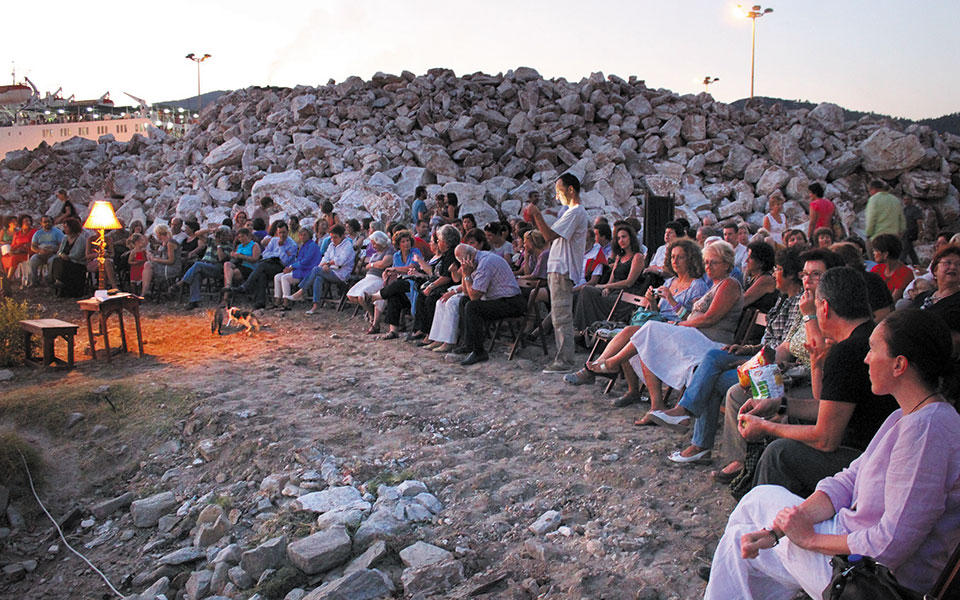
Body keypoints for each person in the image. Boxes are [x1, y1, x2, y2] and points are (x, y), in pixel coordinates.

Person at [704, 309, 960, 599]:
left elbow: (891, 545)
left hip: (873, 577)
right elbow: (848, 481)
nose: (865, 358)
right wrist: (778, 531)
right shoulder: (905, 416)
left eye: (873, 350)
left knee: (740, 538)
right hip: (852, 547)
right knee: (748, 532)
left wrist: (810, 539)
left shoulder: (928, 432)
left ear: (899, 364)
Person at [739, 267, 900, 498]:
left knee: (779, 454)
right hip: (879, 451)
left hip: (866, 459)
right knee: (788, 427)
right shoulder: (868, 338)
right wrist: (779, 404)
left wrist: (765, 426)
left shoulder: (846, 352)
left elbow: (826, 440)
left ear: (824, 308)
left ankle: (769, 526)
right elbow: (827, 405)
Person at [649, 247, 804, 464]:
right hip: (760, 357)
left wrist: (751, 358)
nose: (774, 274)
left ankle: (698, 440)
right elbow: (768, 343)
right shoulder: (783, 300)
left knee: (712, 378)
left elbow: (785, 350)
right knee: (713, 357)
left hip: (774, 368)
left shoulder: (800, 304)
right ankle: (686, 418)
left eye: (778, 269)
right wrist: (747, 350)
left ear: (791, 274)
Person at [526, 173, 589, 374]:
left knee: (561, 317)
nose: (557, 196)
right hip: (558, 268)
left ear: (571, 190)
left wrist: (536, 215)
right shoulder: (569, 212)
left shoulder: (576, 212)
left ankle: (565, 361)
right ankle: (562, 357)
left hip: (563, 269)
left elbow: (549, 235)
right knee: (558, 315)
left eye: (559, 191)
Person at [451, 243, 524, 365]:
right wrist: (465, 274)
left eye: (461, 261)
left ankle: (479, 351)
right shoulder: (476, 261)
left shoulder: (485, 263)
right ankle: (469, 344)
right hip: (499, 299)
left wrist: (467, 275)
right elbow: (466, 293)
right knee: (464, 301)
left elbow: (475, 296)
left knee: (472, 307)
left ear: (467, 258)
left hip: (512, 302)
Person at [573, 224, 645, 336]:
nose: (621, 240)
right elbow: (612, 278)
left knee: (593, 293)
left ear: (631, 238)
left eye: (624, 237)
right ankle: (583, 328)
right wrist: (607, 286)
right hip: (613, 290)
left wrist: (605, 286)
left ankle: (585, 330)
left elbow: (629, 282)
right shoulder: (619, 257)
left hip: (624, 296)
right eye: (619, 238)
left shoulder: (637, 257)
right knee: (586, 290)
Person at [365, 230, 423, 339]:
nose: (406, 243)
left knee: (400, 284)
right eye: (403, 242)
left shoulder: (415, 252)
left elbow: (412, 268)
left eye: (407, 241)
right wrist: (387, 275)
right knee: (393, 295)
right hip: (401, 285)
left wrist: (395, 269)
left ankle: (375, 297)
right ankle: (393, 330)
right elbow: (395, 273)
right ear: (398, 244)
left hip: (414, 283)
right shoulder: (396, 255)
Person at [408, 225, 461, 345]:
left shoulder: (452, 253)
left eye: (439, 241)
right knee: (422, 295)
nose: (437, 243)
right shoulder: (446, 253)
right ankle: (422, 329)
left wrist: (431, 286)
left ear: (446, 242)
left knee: (431, 299)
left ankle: (430, 334)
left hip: (451, 286)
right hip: (444, 284)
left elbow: (446, 277)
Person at [238, 220, 298, 309]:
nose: (282, 235)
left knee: (261, 266)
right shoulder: (274, 240)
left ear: (287, 232)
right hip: (270, 263)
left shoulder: (292, 245)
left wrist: (281, 248)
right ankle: (260, 301)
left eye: (284, 232)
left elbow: (284, 261)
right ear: (277, 232)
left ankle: (246, 286)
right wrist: (276, 254)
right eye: (280, 232)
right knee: (262, 273)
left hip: (283, 267)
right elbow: (265, 254)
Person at [345, 231, 394, 334]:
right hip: (368, 277)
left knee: (362, 296)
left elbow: (384, 264)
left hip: (379, 278)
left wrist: (371, 265)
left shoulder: (389, 251)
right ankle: (370, 312)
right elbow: (365, 266)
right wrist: (373, 264)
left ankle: (374, 321)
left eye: (374, 243)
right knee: (351, 295)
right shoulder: (376, 254)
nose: (373, 246)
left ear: (380, 242)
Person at [302, 224, 355, 315]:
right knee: (318, 277)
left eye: (335, 237)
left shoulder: (347, 246)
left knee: (316, 270)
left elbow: (341, 261)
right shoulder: (331, 245)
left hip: (341, 274)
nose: (333, 240)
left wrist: (327, 263)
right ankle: (315, 305)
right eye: (331, 238)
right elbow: (325, 258)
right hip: (330, 271)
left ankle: (302, 291)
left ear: (342, 236)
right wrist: (324, 265)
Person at [909, 244, 960, 336]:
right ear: (935, 270)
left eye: (958, 264)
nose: (953, 267)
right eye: (947, 263)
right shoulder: (921, 297)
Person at [175, 228, 232, 309]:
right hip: (204, 264)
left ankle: (181, 283)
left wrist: (219, 245)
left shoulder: (229, 246)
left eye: (224, 235)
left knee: (197, 265)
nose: (221, 237)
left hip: (216, 267)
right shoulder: (212, 241)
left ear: (228, 236)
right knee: (196, 274)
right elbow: (197, 234)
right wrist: (211, 230)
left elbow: (221, 258)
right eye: (220, 235)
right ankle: (194, 301)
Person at [275, 228, 321, 309]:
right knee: (277, 277)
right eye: (301, 235)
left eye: (305, 235)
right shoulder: (303, 246)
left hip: (307, 271)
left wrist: (291, 267)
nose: (303, 237)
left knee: (284, 278)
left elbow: (306, 261)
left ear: (310, 235)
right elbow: (298, 260)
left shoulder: (312, 246)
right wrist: (290, 268)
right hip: (300, 269)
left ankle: (286, 302)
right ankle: (277, 300)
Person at [49, 219, 88, 297]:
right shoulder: (65, 238)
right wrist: (61, 255)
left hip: (77, 262)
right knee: (56, 260)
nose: (64, 229)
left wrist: (68, 257)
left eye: (66, 227)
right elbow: (60, 251)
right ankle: (57, 280)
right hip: (64, 261)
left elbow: (78, 254)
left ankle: (58, 281)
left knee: (61, 263)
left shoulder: (81, 239)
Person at [870, 233, 914, 301]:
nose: (873, 253)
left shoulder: (905, 273)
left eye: (876, 251)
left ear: (885, 254)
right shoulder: (877, 269)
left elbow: (893, 301)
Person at [142, 225, 181, 298]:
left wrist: (155, 259)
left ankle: (145, 291)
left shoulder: (170, 243)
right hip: (165, 266)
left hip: (172, 268)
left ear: (159, 234)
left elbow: (170, 260)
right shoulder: (164, 243)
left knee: (148, 265)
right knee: (147, 265)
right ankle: (145, 290)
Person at [742, 241, 779, 313]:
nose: (746, 261)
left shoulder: (766, 279)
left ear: (761, 262)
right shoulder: (754, 277)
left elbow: (743, 301)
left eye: (750, 258)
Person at [27, 215, 65, 286]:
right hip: (41, 253)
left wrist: (53, 250)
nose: (47, 223)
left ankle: (50, 281)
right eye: (45, 222)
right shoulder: (38, 233)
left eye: (49, 221)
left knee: (52, 261)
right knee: (33, 260)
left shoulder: (57, 232)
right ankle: (33, 281)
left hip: (53, 253)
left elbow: (62, 245)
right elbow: (33, 246)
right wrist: (39, 251)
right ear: (41, 223)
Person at [901, 195, 922, 264]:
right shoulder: (904, 210)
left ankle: (900, 262)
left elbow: (919, 221)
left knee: (905, 248)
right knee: (910, 249)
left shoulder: (915, 209)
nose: (906, 201)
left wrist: (920, 232)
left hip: (912, 232)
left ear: (911, 200)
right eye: (904, 199)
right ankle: (916, 263)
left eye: (908, 199)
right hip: (905, 232)